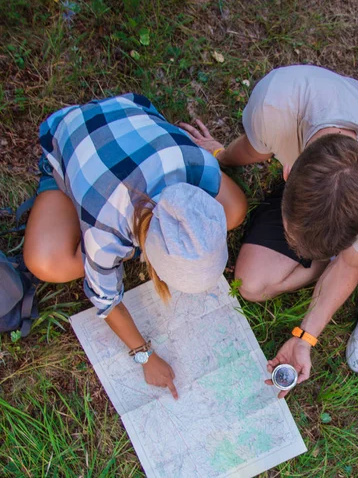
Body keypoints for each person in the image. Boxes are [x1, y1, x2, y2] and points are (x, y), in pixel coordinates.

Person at [180, 65, 358, 395]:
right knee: (252, 285)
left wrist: (305, 337)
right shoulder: (274, 103)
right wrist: (219, 154)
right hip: (337, 173)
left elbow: (349, 263)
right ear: (287, 172)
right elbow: (256, 148)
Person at [24, 94, 247, 398]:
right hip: (70, 139)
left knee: (235, 209)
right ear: (147, 256)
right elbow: (105, 299)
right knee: (46, 262)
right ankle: (60, 183)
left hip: (128, 116)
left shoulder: (200, 161)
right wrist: (144, 355)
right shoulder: (104, 231)